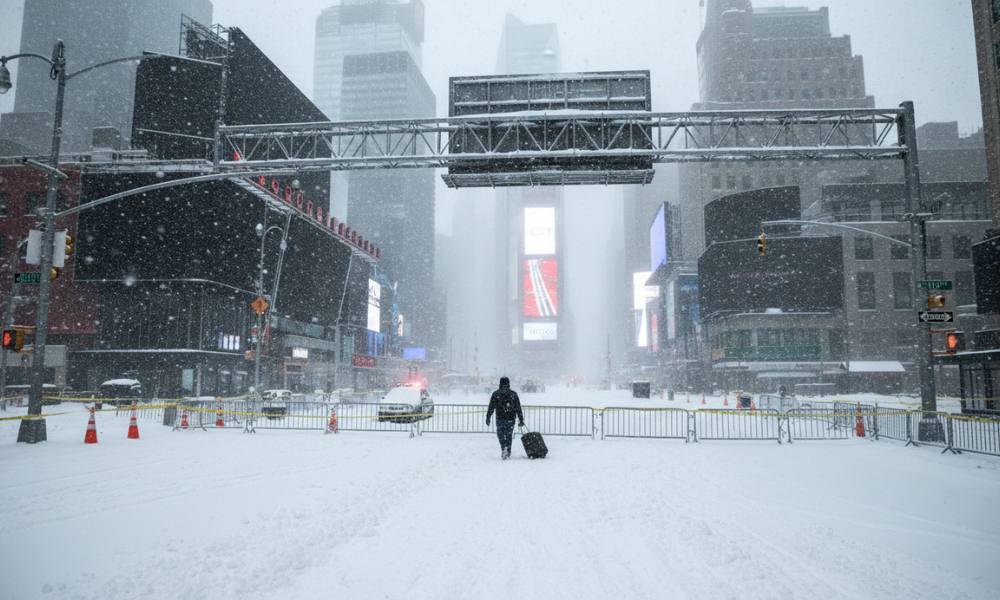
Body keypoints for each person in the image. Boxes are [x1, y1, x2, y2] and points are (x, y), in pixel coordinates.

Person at [486, 376, 525, 460]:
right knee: (508, 435)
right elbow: (518, 407)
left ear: (500, 383)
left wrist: (488, 417)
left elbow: (491, 407)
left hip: (500, 418)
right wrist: (521, 419)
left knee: (500, 435)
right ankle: (507, 449)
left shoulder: (496, 394)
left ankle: (504, 448)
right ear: (509, 383)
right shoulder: (513, 394)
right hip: (510, 419)